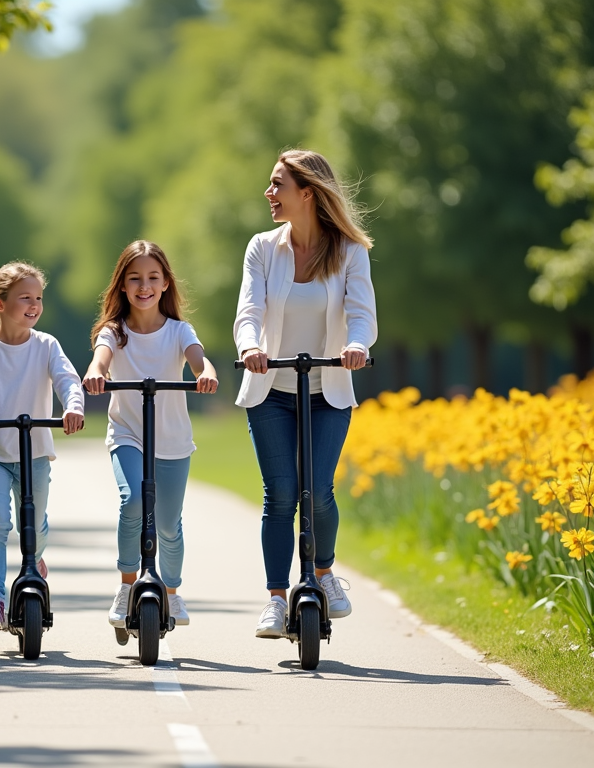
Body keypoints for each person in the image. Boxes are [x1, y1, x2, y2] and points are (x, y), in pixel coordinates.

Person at [234, 149, 377, 639]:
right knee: (281, 495)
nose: (269, 194)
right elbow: (249, 310)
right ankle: (276, 599)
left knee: (317, 491)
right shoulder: (262, 247)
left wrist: (357, 344)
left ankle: (322, 573)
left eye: (278, 185)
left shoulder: (349, 252)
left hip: (327, 388)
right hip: (271, 389)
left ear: (308, 193)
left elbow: (362, 313)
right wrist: (250, 346)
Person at [83, 240, 219, 628]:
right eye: (135, 278)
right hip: (128, 433)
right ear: (122, 286)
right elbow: (102, 356)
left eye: (152, 278)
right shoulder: (115, 331)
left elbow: (197, 358)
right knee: (133, 502)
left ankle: (172, 593)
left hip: (172, 440)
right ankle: (128, 585)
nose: (144, 286)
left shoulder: (179, 331)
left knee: (168, 525)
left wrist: (204, 372)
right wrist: (97, 372)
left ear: (165, 284)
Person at [0, 262, 85, 631]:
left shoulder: (46, 345)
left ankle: (35, 561)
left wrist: (73, 406)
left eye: (38, 298)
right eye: (25, 297)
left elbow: (66, 379)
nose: (34, 304)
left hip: (35, 451)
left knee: (36, 524)